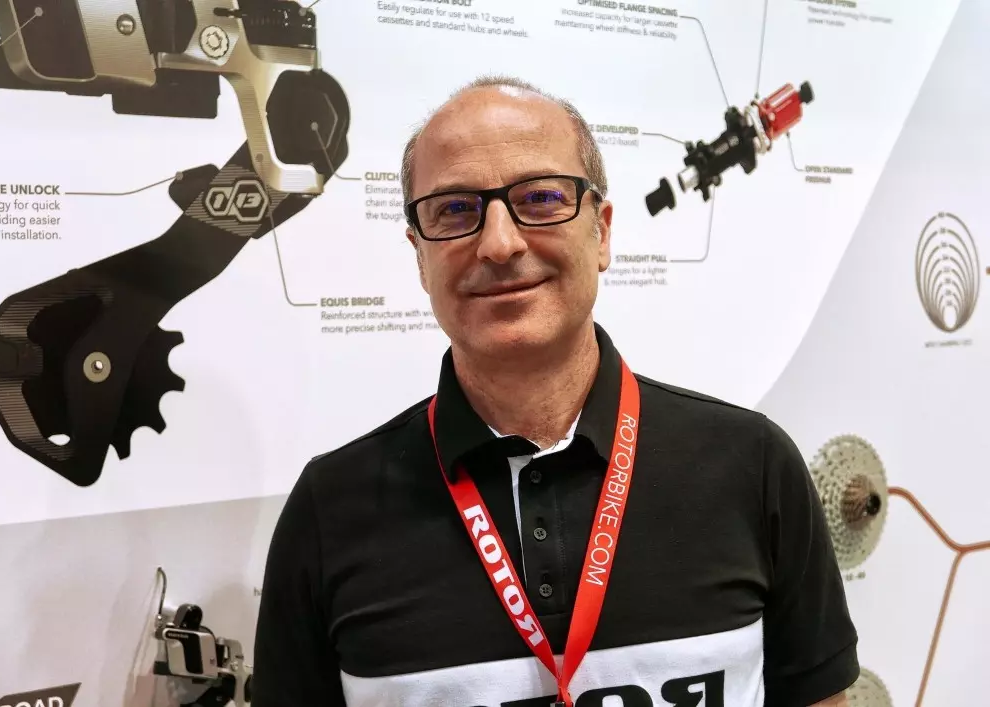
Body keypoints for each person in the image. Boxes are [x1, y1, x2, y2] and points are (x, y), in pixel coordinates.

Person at [252, 75, 859, 707]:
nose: (499, 243)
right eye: (454, 210)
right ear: (419, 255)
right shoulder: (329, 512)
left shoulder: (753, 468)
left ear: (603, 232)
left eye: (540, 198)